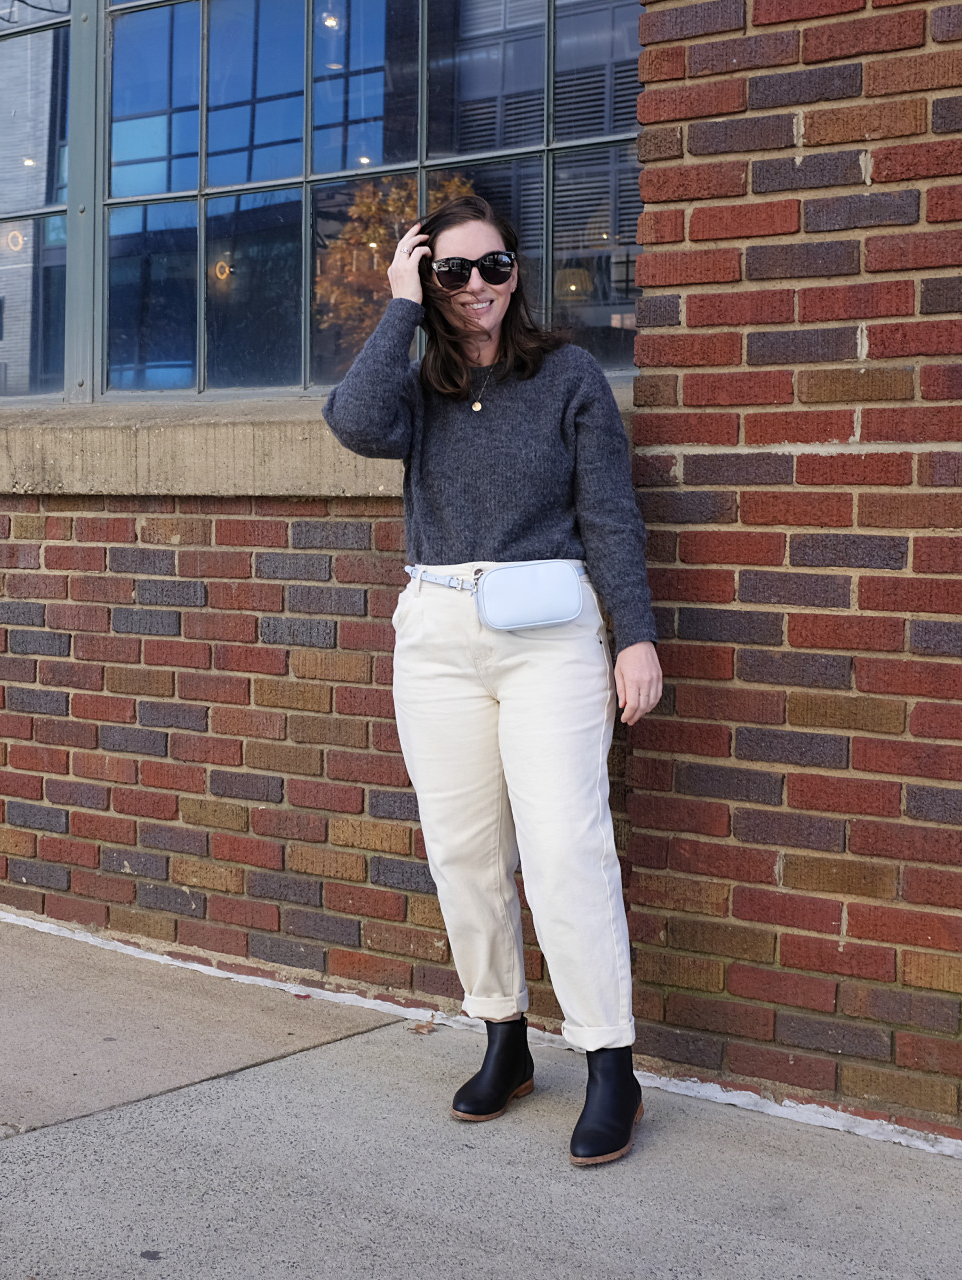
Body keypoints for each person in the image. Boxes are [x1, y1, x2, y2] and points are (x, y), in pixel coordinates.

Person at [322, 194, 663, 1166]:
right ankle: (502, 1035)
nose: (479, 286)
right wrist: (397, 305)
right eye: (454, 270)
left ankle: (609, 1062)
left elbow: (611, 516)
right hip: (436, 633)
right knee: (463, 850)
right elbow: (352, 421)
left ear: (519, 269)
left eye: (495, 264)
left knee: (564, 846)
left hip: (552, 633)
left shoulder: (567, 376)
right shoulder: (416, 383)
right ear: (428, 279)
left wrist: (634, 637)